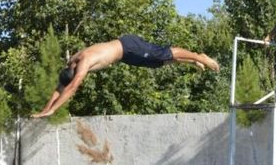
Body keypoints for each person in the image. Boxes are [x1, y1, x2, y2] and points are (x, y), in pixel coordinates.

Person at [32, 35, 220, 118]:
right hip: (126, 56)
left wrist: (54, 110)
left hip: (128, 46)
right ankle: (191, 61)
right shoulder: (72, 62)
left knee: (163, 53)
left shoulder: (83, 63)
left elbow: (71, 88)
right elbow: (60, 88)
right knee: (157, 63)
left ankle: (198, 56)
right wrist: (45, 110)